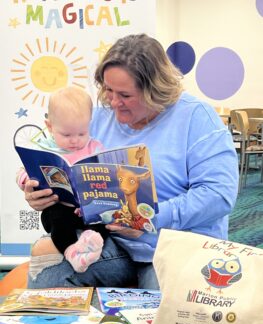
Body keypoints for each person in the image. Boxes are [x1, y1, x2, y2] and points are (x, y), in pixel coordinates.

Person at [22, 33, 239, 289]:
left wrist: (149, 219)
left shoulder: (197, 118)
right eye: (108, 90)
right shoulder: (99, 118)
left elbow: (218, 195)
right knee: (49, 279)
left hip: (171, 247)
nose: (113, 102)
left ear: (155, 90)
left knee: (166, 314)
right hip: (114, 245)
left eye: (125, 95)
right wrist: (42, 192)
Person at [17, 86, 104, 273]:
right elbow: (24, 171)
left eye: (82, 133)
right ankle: (72, 251)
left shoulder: (95, 147)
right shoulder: (44, 147)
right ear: (49, 127)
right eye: (66, 135)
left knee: (104, 222)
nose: (75, 140)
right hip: (58, 208)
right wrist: (26, 181)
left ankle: (91, 241)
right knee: (57, 220)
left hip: (87, 209)